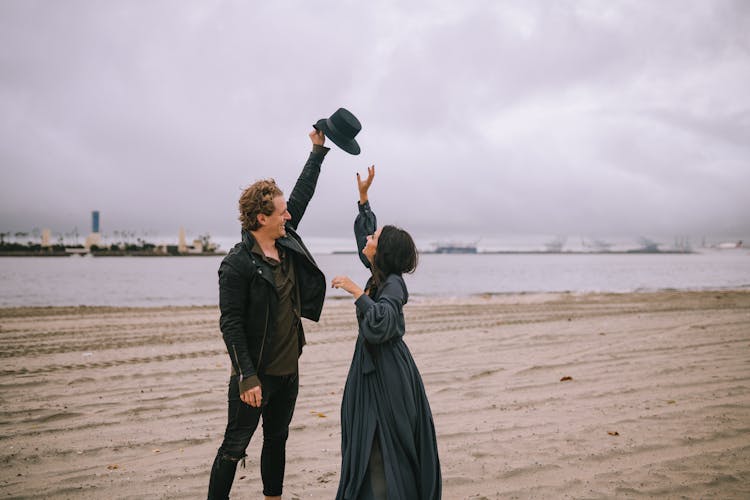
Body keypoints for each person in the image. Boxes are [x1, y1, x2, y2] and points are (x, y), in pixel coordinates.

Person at [207, 129, 329, 500]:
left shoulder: (286, 241)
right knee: (234, 447)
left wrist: (318, 151)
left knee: (277, 441)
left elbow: (301, 196)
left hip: (288, 370)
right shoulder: (237, 264)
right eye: (281, 212)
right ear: (261, 218)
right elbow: (230, 323)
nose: (288, 215)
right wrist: (246, 376)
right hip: (255, 376)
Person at [331, 166, 442, 499]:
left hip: (388, 375)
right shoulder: (380, 272)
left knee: (380, 446)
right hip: (373, 370)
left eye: (374, 239)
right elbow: (365, 236)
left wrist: (356, 292)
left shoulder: (392, 284)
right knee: (368, 446)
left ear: (382, 252)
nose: (368, 239)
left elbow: (382, 322)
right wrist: (364, 199)